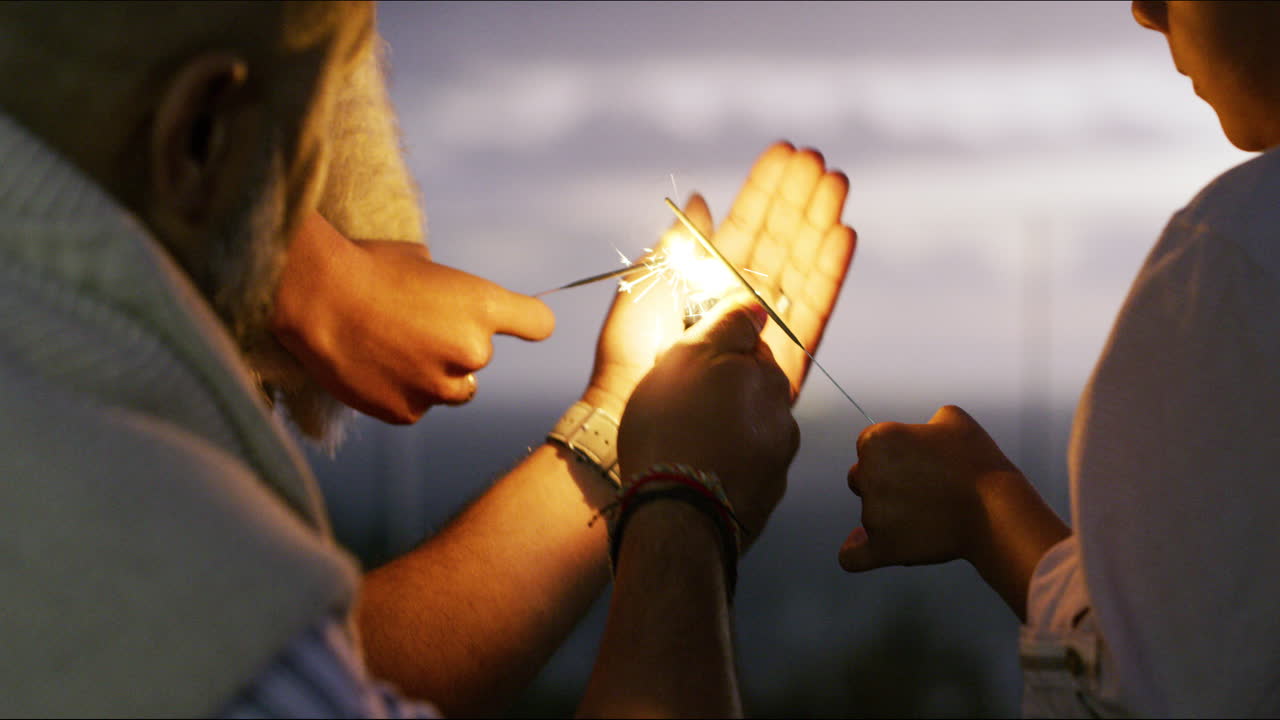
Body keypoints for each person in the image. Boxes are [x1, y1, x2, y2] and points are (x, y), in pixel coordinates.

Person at [0, 2, 858, 717]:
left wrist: (617, 429)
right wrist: (684, 502)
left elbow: (332, 669)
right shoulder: (93, 522)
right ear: (198, 136)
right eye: (303, 152)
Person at [838, 2, 1280, 716]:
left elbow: (1133, 696)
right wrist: (985, 504)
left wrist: (983, 503)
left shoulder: (1236, 268)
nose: (1147, 11)